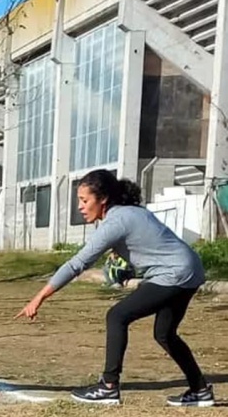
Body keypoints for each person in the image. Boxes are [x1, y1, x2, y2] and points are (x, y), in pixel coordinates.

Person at [16, 169, 214, 407]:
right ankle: (200, 390)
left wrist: (38, 298)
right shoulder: (131, 213)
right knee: (164, 333)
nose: (80, 206)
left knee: (117, 316)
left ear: (103, 199)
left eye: (84, 200)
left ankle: (108, 386)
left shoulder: (115, 222)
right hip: (190, 269)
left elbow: (77, 263)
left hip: (173, 273)